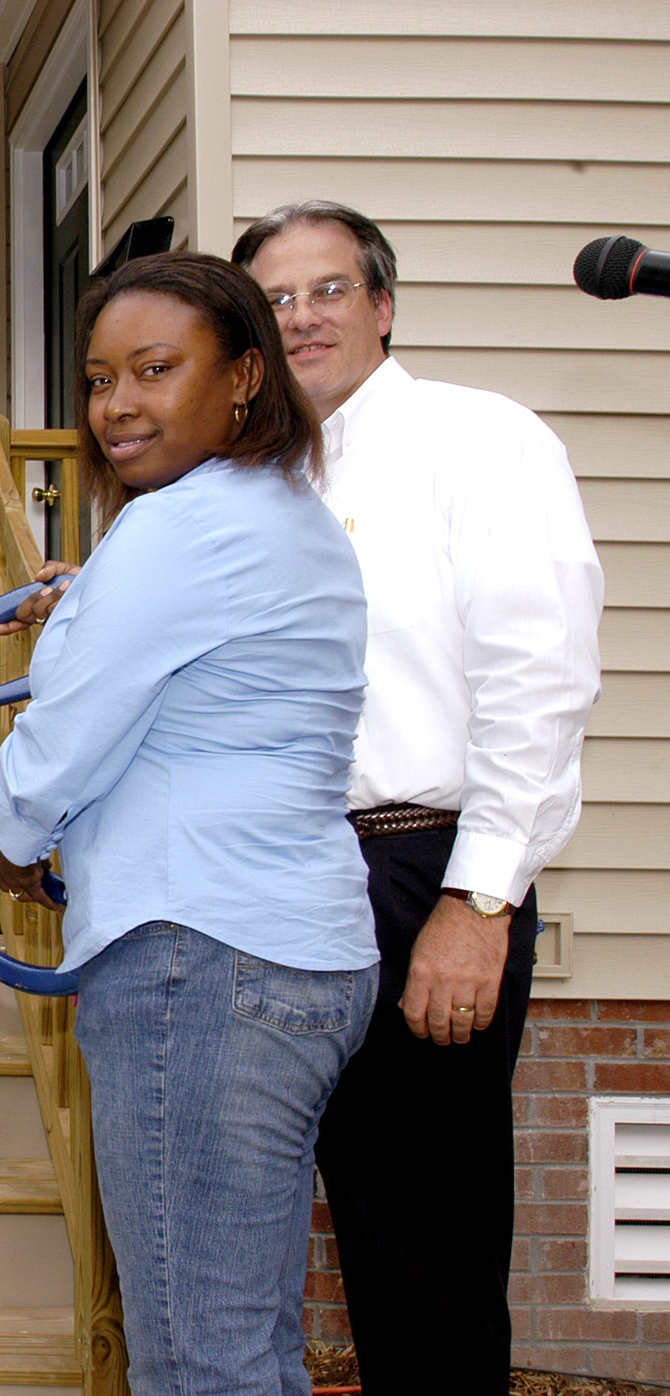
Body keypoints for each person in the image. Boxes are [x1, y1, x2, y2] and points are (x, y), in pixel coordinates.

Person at [0, 251, 378, 1393]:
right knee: (251, 1347)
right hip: (303, 953)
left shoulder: (181, 529)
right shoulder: (288, 515)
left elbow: (68, 731)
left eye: (156, 370)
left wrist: (11, 843)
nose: (117, 405)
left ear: (246, 376)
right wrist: (94, 598)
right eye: (101, 378)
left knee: (199, 1362)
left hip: (195, 958)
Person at [232, 202, 603, 1392]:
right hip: (271, 879)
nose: (301, 318)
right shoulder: (249, 479)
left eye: (328, 290)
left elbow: (539, 681)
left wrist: (479, 900)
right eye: (274, 300)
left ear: (383, 306)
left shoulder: (478, 440)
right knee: (254, 1224)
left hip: (420, 871)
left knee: (423, 1242)